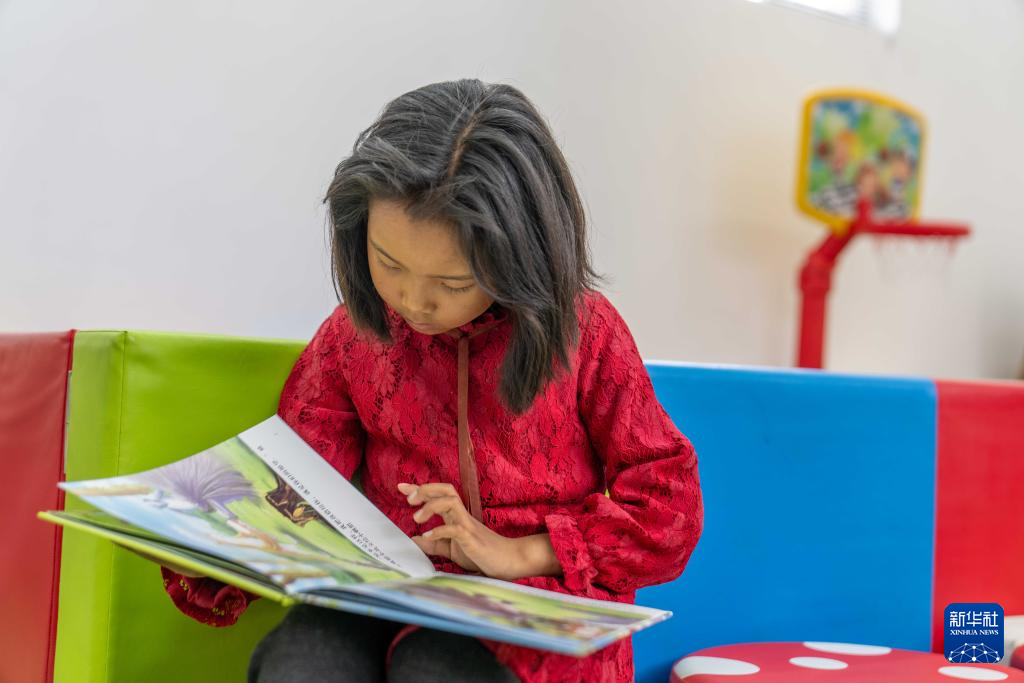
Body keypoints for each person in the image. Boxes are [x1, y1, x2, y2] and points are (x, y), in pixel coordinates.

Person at [157, 78, 704, 683]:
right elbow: (295, 482)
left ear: (522, 257)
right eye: (388, 263)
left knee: (436, 669)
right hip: (389, 594)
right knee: (303, 664)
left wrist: (521, 552)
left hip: (534, 603)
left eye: (453, 283)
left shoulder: (585, 332)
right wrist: (214, 545)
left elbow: (668, 508)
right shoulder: (354, 334)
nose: (414, 302)